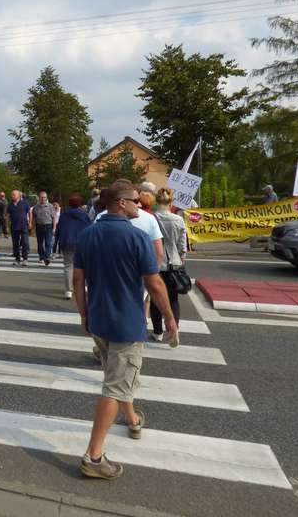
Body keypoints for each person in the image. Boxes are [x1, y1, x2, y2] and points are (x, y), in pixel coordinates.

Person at [73, 180, 178, 480]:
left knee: (118, 376)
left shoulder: (88, 234)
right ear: (121, 203)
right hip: (126, 324)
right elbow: (154, 284)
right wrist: (170, 319)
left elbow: (78, 280)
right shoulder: (137, 237)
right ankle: (94, 456)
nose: (140, 204)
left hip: (99, 320)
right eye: (135, 200)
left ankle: (132, 419)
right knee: (115, 386)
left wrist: (83, 313)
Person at [150, 188, 187, 342]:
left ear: (156, 202)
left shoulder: (151, 218)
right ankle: (174, 329)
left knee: (155, 299)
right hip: (174, 263)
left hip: (155, 264)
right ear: (171, 202)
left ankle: (157, 332)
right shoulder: (178, 219)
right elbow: (182, 245)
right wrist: (182, 259)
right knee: (173, 299)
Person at [57, 194, 91, 299]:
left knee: (68, 266)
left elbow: (59, 229)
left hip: (67, 242)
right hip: (82, 243)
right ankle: (83, 286)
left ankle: (68, 290)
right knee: (84, 266)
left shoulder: (64, 215)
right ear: (80, 204)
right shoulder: (84, 215)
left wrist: (57, 244)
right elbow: (89, 230)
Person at [6, 190, 31, 266]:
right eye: (12, 195)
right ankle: (17, 259)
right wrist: (7, 226)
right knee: (15, 244)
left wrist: (30, 222)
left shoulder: (25, 203)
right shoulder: (10, 205)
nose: (12, 196)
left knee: (25, 242)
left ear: (19, 196)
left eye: (14, 195)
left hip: (24, 226)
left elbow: (30, 213)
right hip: (14, 226)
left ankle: (25, 258)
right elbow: (7, 216)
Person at [32, 191, 56, 265]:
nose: (43, 199)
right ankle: (41, 256)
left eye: (44, 197)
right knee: (40, 243)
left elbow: (54, 218)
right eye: (41, 197)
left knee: (48, 243)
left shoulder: (50, 206)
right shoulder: (35, 207)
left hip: (48, 226)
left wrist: (54, 228)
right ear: (39, 198)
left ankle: (47, 257)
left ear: (46, 198)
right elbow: (34, 218)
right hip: (39, 226)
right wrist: (33, 228)